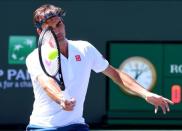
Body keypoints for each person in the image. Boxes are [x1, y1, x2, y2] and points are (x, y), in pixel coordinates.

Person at [26, 4, 174, 131]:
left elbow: (115, 73)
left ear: (63, 23)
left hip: (76, 125)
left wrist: (145, 93)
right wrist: (61, 99)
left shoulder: (85, 49)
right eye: (50, 28)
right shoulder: (35, 57)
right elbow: (47, 84)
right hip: (43, 126)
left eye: (59, 24)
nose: (57, 31)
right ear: (40, 32)